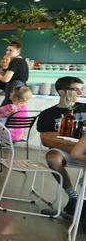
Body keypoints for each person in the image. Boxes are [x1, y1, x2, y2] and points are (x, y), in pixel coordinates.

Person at [37, 76, 85, 217]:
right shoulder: (47, 114)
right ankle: (73, 196)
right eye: (76, 89)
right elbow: (46, 140)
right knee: (52, 157)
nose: (80, 93)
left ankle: (81, 207)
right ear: (62, 92)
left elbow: (53, 139)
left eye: (81, 89)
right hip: (66, 152)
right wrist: (71, 148)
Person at [0, 41, 28, 106]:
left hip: (14, 91)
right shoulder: (23, 61)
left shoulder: (15, 61)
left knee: (5, 111)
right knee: (14, 111)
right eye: (7, 50)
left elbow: (6, 79)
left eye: (10, 50)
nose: (7, 52)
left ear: (18, 52)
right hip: (19, 92)